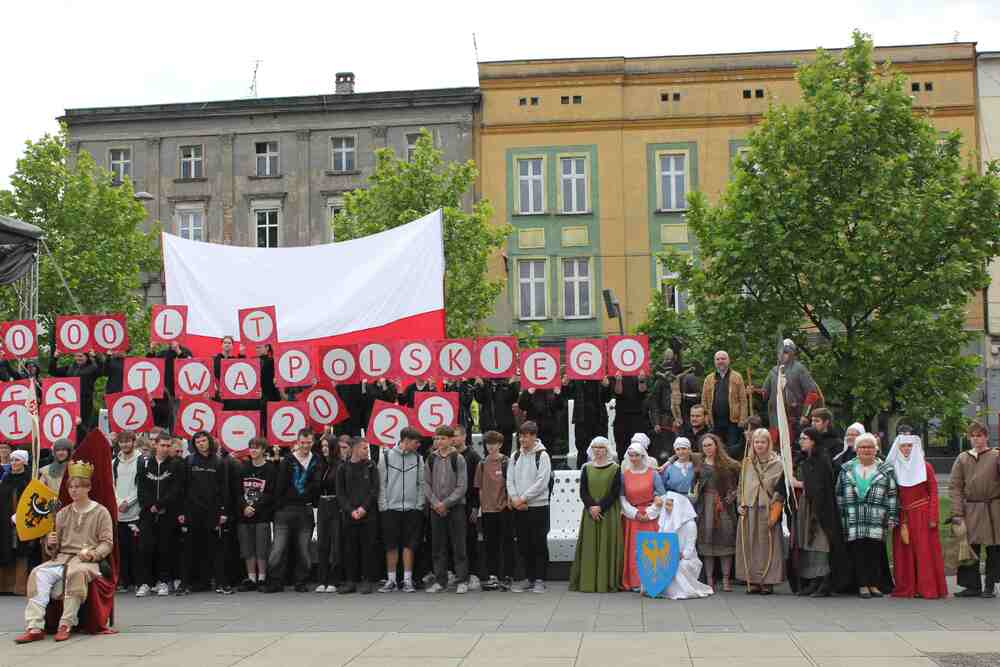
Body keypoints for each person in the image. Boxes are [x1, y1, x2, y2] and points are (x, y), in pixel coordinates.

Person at [15, 460, 114, 644]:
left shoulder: (101, 512)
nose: (73, 490)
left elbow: (107, 543)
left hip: (86, 561)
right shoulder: (62, 513)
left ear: (88, 488)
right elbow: (54, 549)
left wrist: (92, 554)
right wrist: (50, 543)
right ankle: (34, 626)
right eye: (71, 487)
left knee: (76, 573)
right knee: (37, 573)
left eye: (78, 487)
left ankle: (65, 624)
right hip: (61, 559)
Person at [788, 428, 850, 597]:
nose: (801, 441)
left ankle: (825, 581)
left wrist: (799, 484)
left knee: (821, 543)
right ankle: (813, 580)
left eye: (804, 438)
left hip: (820, 509)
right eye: (800, 438)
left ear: (813, 441)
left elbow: (821, 485)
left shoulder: (822, 459)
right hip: (806, 506)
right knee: (808, 544)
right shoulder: (804, 459)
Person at [835, 433, 897, 599]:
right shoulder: (846, 469)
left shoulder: (886, 469)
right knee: (858, 551)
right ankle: (862, 584)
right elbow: (839, 494)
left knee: (875, 551)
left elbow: (892, 495)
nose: (866, 450)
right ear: (856, 450)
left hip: (877, 517)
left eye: (870, 447)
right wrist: (841, 516)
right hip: (853, 516)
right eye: (862, 447)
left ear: (876, 450)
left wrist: (892, 517)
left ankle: (874, 584)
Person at [886, 434, 947, 599]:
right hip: (903, 515)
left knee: (924, 552)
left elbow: (933, 492)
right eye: (903, 446)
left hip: (922, 513)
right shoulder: (893, 468)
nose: (906, 449)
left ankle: (926, 587)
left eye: (909, 446)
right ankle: (908, 587)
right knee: (904, 552)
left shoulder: (925, 467)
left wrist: (933, 516)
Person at [263, 430, 321, 593]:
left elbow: (316, 485)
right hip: (284, 511)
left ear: (312, 442)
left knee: (303, 549)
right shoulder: (287, 460)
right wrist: (279, 508)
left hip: (305, 510)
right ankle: (275, 581)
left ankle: (301, 582)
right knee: (278, 548)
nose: (305, 446)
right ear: (298, 442)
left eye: (309, 442)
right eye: (303, 442)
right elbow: (279, 485)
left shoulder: (316, 460)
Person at [950, 421, 1000, 598]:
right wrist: (957, 512)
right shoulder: (963, 458)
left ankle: (990, 585)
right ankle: (972, 586)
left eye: (979, 435)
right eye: (973, 436)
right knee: (969, 547)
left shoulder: (995, 456)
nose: (976, 439)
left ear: (986, 437)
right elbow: (955, 486)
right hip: (970, 508)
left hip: (993, 509)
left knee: (994, 548)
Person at [176, 431, 230, 596]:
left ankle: (221, 583)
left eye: (203, 440)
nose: (200, 443)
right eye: (197, 441)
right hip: (192, 511)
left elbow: (224, 489)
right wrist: (182, 512)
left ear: (209, 442)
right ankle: (185, 584)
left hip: (213, 512)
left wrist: (224, 512)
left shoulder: (219, 462)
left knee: (216, 549)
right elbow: (182, 488)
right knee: (189, 550)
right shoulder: (189, 461)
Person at [735, 428, 787, 595]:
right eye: (756, 442)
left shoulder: (778, 463)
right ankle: (753, 580)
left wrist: (776, 504)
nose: (759, 445)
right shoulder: (747, 463)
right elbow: (741, 486)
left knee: (767, 545)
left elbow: (780, 488)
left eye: (763, 442)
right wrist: (740, 503)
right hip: (750, 508)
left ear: (769, 443)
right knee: (750, 544)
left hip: (767, 508)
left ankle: (767, 580)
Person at [569, 436, 623, 593]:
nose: (598, 451)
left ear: (607, 449)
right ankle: (588, 581)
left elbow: (614, 492)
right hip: (590, 513)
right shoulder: (586, 467)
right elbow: (583, 491)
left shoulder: (615, 468)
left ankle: (605, 582)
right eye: (595, 447)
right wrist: (592, 506)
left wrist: (600, 507)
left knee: (606, 546)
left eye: (601, 448)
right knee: (590, 547)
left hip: (608, 513)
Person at [377, 427, 425, 594]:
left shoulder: (419, 459)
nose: (418, 445)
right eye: (415, 442)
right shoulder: (386, 457)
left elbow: (421, 484)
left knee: (409, 545)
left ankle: (407, 580)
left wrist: (418, 505)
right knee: (391, 545)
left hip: (412, 509)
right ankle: (391, 580)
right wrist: (384, 506)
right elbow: (381, 483)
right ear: (405, 440)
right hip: (391, 509)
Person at [506, 421, 553, 593]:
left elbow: (542, 482)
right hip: (519, 507)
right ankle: (529, 577)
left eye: (526, 436)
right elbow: (509, 479)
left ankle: (540, 578)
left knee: (538, 543)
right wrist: (515, 498)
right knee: (524, 544)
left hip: (538, 507)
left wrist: (524, 498)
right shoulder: (515, 456)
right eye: (521, 436)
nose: (523, 439)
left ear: (534, 436)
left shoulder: (543, 455)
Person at [135, 432, 183, 597]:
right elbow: (141, 488)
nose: (165, 448)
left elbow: (176, 489)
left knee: (165, 548)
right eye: (162, 445)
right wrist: (150, 506)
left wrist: (161, 504)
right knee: (145, 548)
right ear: (155, 445)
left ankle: (163, 582)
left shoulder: (175, 464)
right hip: (148, 513)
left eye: (168, 445)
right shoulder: (145, 463)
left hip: (167, 513)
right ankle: (145, 583)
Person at [692, 433, 740, 592]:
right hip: (705, 506)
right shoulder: (699, 464)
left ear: (716, 445)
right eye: (704, 446)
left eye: (710, 445)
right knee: (707, 543)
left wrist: (731, 496)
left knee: (725, 540)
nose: (707, 448)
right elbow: (678, 454)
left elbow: (739, 483)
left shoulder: (728, 464)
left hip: (723, 506)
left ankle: (726, 580)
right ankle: (710, 579)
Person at [425, 426, 468, 594]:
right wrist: (436, 503)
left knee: (459, 545)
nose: (439, 441)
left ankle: (462, 579)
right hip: (436, 508)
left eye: (442, 438)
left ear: (451, 440)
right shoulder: (431, 458)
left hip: (455, 507)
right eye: (437, 438)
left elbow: (462, 486)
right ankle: (440, 580)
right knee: (438, 546)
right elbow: (426, 484)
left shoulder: (458, 458)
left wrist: (446, 503)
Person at [620, 436, 665, 592]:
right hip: (633, 519)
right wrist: (634, 513)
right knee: (634, 551)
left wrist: (650, 512)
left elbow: (661, 495)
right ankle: (635, 582)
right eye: (631, 455)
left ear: (643, 456)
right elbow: (622, 498)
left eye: (637, 455)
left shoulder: (653, 474)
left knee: (651, 550)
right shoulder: (624, 475)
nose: (634, 458)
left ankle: (652, 580)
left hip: (650, 518)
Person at [759, 339, 823, 448]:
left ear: (792, 353)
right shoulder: (773, 371)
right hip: (776, 418)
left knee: (793, 448)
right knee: (777, 448)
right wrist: (753, 392)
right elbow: (764, 394)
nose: (782, 355)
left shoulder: (799, 369)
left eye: (786, 352)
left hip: (794, 418)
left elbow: (812, 393)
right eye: (780, 352)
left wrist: (805, 415)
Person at [337, 435, 379, 594]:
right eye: (364, 448)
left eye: (367, 448)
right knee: (350, 548)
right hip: (350, 515)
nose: (367, 451)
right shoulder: (343, 467)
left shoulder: (370, 466)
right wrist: (350, 510)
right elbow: (340, 493)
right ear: (354, 449)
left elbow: (374, 490)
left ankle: (367, 580)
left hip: (368, 514)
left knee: (368, 547)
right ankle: (350, 581)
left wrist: (363, 508)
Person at [655, 491, 714, 600]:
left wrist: (679, 555)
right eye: (666, 504)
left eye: (669, 505)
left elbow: (689, 549)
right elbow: (659, 542)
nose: (667, 508)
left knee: (678, 566)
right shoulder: (664, 521)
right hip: (666, 556)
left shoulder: (690, 525)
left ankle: (680, 591)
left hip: (687, 559)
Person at [475, 430, 515, 591]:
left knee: (506, 542)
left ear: (500, 444)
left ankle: (507, 575)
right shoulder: (482, 464)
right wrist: (481, 507)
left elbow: (511, 484)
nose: (491, 447)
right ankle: (492, 575)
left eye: (495, 444)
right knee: (490, 544)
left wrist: (506, 502)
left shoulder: (507, 461)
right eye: (488, 444)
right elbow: (480, 488)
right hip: (487, 510)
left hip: (504, 509)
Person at [236, 437, 276, 592]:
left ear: (263, 450)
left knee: (261, 547)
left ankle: (262, 578)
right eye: (251, 448)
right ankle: (251, 577)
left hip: (262, 515)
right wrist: (245, 507)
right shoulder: (243, 468)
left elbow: (270, 493)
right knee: (248, 548)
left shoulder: (270, 469)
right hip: (244, 514)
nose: (253, 450)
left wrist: (255, 507)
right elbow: (238, 492)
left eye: (257, 448)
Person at [701, 351, 749, 456]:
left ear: (728, 360)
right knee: (717, 450)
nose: (720, 361)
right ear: (714, 362)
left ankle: (732, 471)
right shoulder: (709, 379)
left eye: (723, 359)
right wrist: (705, 417)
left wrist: (743, 419)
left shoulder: (737, 377)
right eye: (718, 359)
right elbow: (704, 400)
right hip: (715, 422)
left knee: (732, 450)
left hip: (733, 422)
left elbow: (743, 400)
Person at [453, 424, 481, 590]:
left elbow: (477, 484)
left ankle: (474, 574)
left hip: (469, 503)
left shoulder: (473, 456)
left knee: (470, 539)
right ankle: (456, 574)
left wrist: (476, 506)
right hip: (453, 504)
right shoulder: (448, 455)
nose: (454, 438)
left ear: (464, 436)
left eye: (456, 435)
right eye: (452, 436)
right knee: (455, 541)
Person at [0, 450, 32, 594]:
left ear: (24, 462)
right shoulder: (6, 479)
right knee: (6, 548)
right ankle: (6, 586)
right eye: (12, 460)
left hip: (23, 520)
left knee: (22, 551)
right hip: (6, 521)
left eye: (17, 460)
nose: (13, 463)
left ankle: (20, 586)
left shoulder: (29, 479)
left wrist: (20, 515)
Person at [112, 432, 141, 593]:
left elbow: (141, 486)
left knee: (136, 549)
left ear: (133, 442)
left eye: (128, 442)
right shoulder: (114, 462)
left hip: (135, 512)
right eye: (122, 442)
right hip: (119, 513)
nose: (125, 445)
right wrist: (118, 502)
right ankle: (124, 581)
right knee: (122, 549)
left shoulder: (141, 461)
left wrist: (128, 502)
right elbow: (112, 483)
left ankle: (138, 580)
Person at [565, 377, 609, 468]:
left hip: (599, 418)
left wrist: (606, 386)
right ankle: (581, 476)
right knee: (582, 451)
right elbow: (568, 395)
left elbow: (607, 398)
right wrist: (566, 384)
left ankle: (603, 474)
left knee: (601, 448)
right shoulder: (576, 375)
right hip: (581, 419)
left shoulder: (601, 375)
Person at [49, 351, 100, 429]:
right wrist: (55, 358)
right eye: (76, 356)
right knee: (72, 425)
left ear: (87, 357)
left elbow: (102, 370)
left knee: (84, 426)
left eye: (80, 356)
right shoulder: (70, 367)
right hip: (71, 401)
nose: (78, 358)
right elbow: (52, 371)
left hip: (85, 402)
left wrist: (96, 357)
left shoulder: (93, 368)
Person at [605, 372, 649, 459]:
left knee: (639, 446)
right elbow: (618, 392)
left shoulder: (640, 371)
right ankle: (623, 467)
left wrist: (641, 380)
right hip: (621, 416)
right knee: (621, 447)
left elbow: (642, 391)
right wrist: (618, 380)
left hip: (638, 416)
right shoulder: (616, 372)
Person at [474, 376, 520, 456]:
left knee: (505, 455)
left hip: (505, 427)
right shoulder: (485, 383)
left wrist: (513, 384)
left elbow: (514, 397)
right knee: (489, 455)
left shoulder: (507, 383)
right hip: (488, 426)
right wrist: (478, 385)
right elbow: (479, 399)